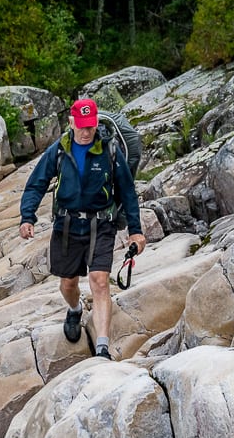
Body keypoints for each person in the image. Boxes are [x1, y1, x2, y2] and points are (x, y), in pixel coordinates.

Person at [19, 98, 146, 360]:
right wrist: (27, 217)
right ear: (71, 122)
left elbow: (127, 191)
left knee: (99, 282)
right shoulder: (58, 151)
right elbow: (36, 183)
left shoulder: (109, 150)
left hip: (101, 225)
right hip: (67, 226)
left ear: (96, 123)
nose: (86, 132)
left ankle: (102, 348)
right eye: (81, 127)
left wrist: (135, 230)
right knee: (68, 284)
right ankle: (75, 309)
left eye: (91, 126)